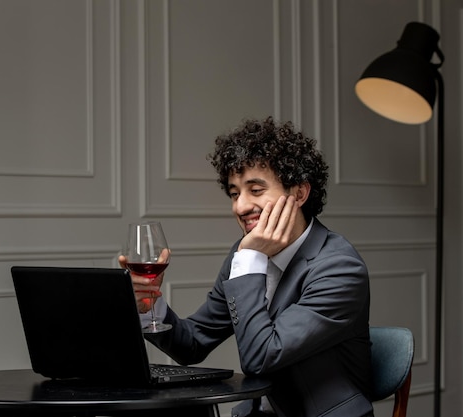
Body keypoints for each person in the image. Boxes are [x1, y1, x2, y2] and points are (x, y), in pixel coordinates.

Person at [119, 117, 373, 417]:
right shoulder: (245, 256)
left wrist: (249, 258)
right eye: (235, 193)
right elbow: (193, 344)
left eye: (255, 190)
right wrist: (150, 306)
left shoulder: (339, 267)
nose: (240, 207)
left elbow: (262, 356)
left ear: (299, 194)